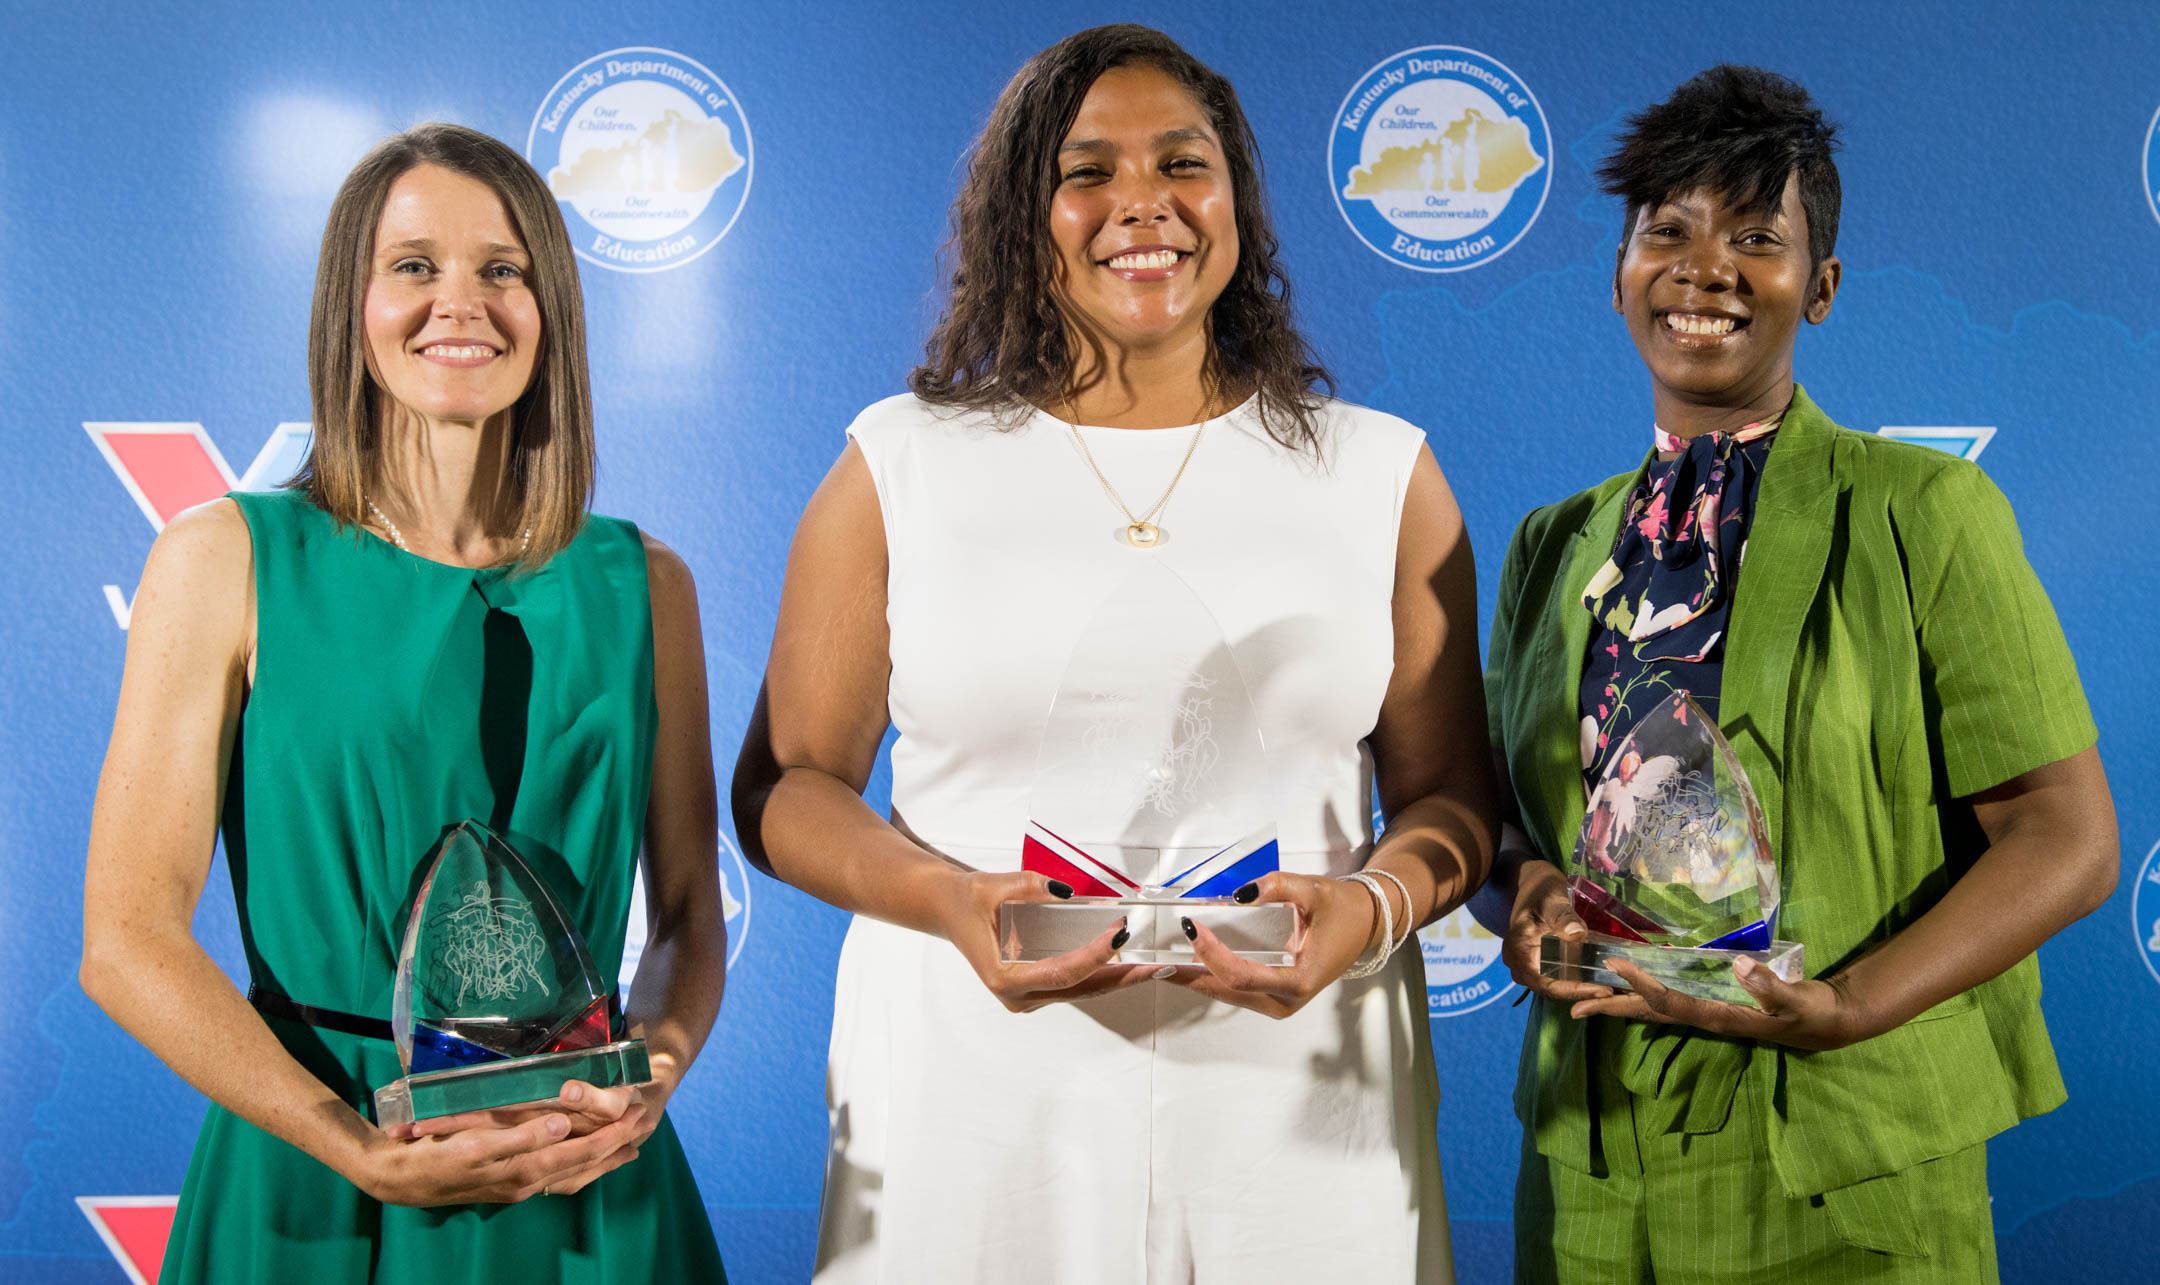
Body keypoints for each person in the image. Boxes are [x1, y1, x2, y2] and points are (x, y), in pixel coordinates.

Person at [732, 24, 1496, 1285]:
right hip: (973, 1103)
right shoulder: (899, 463)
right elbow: (783, 790)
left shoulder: (1380, 471)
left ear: (1236, 198)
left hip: (1298, 1117)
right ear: (1023, 217)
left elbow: (1454, 801)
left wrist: (1366, 911)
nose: (1142, 205)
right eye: (1086, 172)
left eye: (1182, 164)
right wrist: (950, 902)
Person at [1478, 66, 2119, 1282]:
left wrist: (1851, 1004)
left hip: (1847, 1159)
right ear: (1618, 276)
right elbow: (1510, 827)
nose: (1703, 265)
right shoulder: (1551, 546)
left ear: (1817, 288)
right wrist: (1529, 893)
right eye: (1665, 229)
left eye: (1755, 238)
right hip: (1593, 1167)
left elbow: (2065, 834)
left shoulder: (1925, 510)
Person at [80, 123, 729, 1283]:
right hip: (319, 1176)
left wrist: (657, 1069)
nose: (461, 302)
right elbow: (127, 940)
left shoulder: (647, 584)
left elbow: (688, 910)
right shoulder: (227, 555)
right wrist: (356, 1150)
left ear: (552, 309)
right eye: (415, 265)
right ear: (352, 304)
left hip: (590, 1180)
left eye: (504, 268)